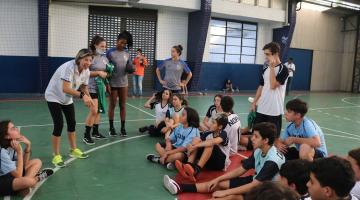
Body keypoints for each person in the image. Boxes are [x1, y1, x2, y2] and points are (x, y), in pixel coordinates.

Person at [163, 122, 285, 199]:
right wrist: (218, 179)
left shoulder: (272, 161)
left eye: (256, 137)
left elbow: (254, 185)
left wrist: (226, 193)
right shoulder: (259, 150)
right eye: (252, 135)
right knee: (218, 184)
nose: (251, 139)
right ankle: (180, 187)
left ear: (266, 140)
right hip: (258, 181)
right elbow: (241, 170)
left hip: (270, 192)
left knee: (231, 196)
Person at [45, 48, 93, 168]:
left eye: (90, 60)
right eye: (85, 59)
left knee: (72, 123)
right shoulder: (69, 67)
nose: (88, 62)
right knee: (59, 124)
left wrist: (89, 98)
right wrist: (83, 96)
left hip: (67, 98)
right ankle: (56, 155)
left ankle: (73, 150)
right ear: (79, 58)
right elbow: (65, 88)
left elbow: (84, 87)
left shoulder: (86, 71)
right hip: (54, 96)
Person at [0, 120, 53, 196]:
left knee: (37, 161)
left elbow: (24, 164)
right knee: (28, 182)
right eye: (13, 128)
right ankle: (36, 179)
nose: (17, 129)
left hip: (9, 174)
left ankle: (22, 187)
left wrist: (28, 146)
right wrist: (19, 152)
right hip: (2, 180)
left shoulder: (13, 143)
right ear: (6, 136)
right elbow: (18, 175)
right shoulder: (2, 152)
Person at [175, 113, 230, 182]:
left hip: (220, 163)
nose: (210, 124)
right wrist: (191, 146)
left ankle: (196, 171)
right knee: (196, 139)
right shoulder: (208, 133)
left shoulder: (223, 133)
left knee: (209, 144)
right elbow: (196, 141)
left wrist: (194, 146)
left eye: (213, 123)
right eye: (211, 121)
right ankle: (189, 166)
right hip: (210, 161)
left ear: (220, 127)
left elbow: (214, 142)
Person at [251, 42, 289, 138]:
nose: (266, 57)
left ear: (276, 54)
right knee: (256, 136)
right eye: (265, 54)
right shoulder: (265, 69)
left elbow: (273, 85)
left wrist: (272, 68)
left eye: (268, 54)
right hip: (262, 107)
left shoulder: (283, 69)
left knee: (272, 139)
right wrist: (254, 102)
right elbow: (261, 86)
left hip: (274, 110)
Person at [83, 35, 109, 145]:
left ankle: (95, 132)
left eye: (105, 46)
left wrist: (107, 75)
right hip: (91, 87)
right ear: (95, 45)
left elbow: (106, 72)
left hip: (101, 88)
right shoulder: (90, 57)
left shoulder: (105, 58)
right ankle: (86, 135)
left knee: (99, 110)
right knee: (93, 110)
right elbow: (85, 73)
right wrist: (98, 73)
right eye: (101, 46)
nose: (104, 48)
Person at [107, 31, 134, 137]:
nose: (123, 45)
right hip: (113, 83)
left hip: (124, 83)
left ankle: (123, 128)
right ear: (117, 41)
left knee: (122, 105)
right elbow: (106, 68)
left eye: (125, 43)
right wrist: (107, 83)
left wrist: (132, 68)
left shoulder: (127, 53)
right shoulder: (110, 52)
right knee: (112, 105)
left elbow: (129, 66)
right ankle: (111, 127)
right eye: (121, 42)